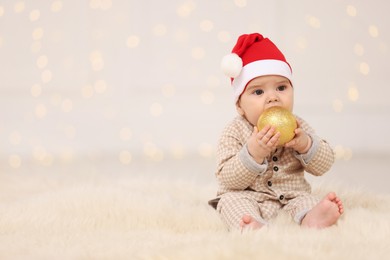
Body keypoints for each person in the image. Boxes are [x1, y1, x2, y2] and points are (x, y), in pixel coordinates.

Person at [208, 33, 344, 231]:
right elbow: (227, 179)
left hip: (291, 197)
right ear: (239, 105)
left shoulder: (298, 126)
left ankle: (311, 218)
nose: (272, 98)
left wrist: (305, 144)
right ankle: (252, 225)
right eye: (258, 92)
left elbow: (324, 164)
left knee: (306, 200)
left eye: (281, 87)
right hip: (248, 196)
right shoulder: (234, 131)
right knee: (230, 202)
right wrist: (253, 153)